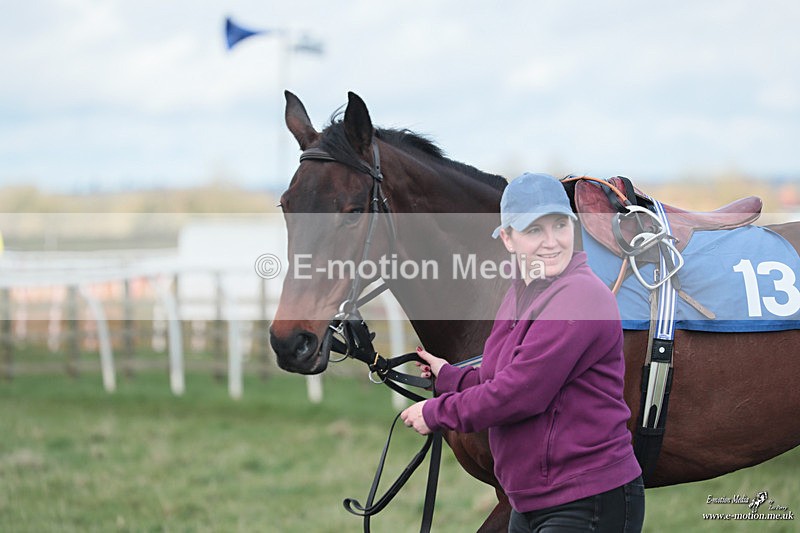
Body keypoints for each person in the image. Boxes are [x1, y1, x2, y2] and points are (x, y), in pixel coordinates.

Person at [400, 172, 644, 532]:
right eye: (534, 231)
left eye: (559, 226)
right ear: (508, 239)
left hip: (587, 499)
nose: (551, 242)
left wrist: (436, 413)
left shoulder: (580, 297)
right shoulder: (520, 292)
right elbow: (498, 375)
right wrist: (449, 376)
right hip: (531, 500)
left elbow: (519, 394)